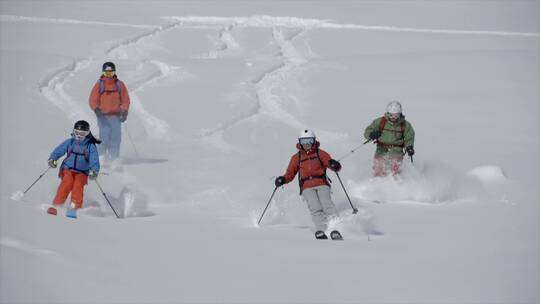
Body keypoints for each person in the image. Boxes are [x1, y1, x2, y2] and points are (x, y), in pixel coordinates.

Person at [274, 129, 343, 240]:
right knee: (315, 208)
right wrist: (282, 179)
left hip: (321, 183)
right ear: (300, 142)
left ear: (314, 141)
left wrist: (334, 165)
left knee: (326, 203)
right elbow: (290, 174)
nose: (306, 143)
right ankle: (322, 230)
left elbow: (331, 164)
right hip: (306, 186)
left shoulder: (321, 153)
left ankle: (336, 228)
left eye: (309, 140)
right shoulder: (296, 158)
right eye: (303, 141)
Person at [47, 120, 100, 216]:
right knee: (66, 184)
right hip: (68, 169)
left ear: (87, 134)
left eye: (82, 134)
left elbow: (94, 159)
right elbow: (60, 150)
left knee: (78, 186)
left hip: (82, 172)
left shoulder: (90, 146)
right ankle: (56, 205)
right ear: (73, 132)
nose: (79, 136)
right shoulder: (70, 142)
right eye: (77, 133)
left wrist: (94, 170)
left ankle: (74, 208)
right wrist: (53, 158)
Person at [89, 62, 130, 162]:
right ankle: (101, 158)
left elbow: (125, 99)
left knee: (116, 138)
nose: (109, 76)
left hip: (116, 117)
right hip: (103, 117)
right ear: (103, 73)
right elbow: (92, 99)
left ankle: (114, 158)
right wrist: (96, 109)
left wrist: (124, 111)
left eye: (111, 74)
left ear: (114, 73)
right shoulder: (99, 84)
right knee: (104, 137)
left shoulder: (119, 84)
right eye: (107, 74)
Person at [364, 101, 415, 177]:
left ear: (400, 114)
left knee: (394, 169)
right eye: (391, 115)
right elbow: (367, 131)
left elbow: (409, 137)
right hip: (381, 149)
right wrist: (372, 134)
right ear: (388, 113)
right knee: (379, 168)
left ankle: (395, 183)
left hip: (396, 150)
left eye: (396, 115)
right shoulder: (381, 121)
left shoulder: (405, 125)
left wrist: (409, 147)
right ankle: (377, 182)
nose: (393, 118)